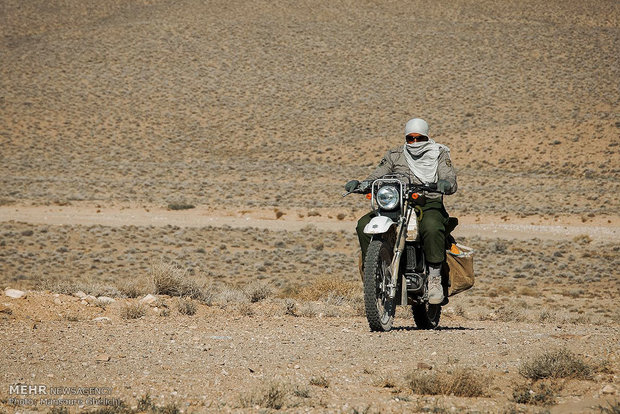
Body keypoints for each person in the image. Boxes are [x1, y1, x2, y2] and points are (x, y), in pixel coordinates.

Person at [344, 118, 457, 304]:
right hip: (397, 203)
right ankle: (373, 272)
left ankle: (434, 278)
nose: (414, 142)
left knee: (432, 226)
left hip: (428, 202)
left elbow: (448, 176)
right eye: (410, 138)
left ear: (426, 137)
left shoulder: (439, 154)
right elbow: (377, 174)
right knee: (363, 224)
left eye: (418, 138)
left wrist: (444, 183)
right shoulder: (395, 154)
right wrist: (362, 184)